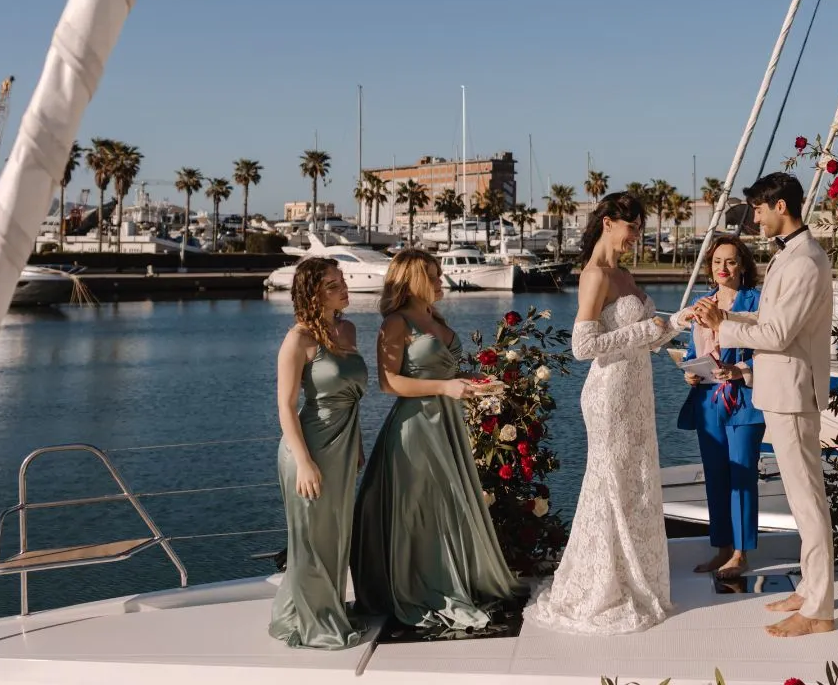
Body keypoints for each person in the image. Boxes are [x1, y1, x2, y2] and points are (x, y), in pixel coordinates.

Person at [523, 192, 680, 634]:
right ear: (609, 222)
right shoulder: (594, 276)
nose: (636, 237)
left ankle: (635, 576)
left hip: (638, 391)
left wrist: (678, 322)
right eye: (633, 228)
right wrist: (641, 330)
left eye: (640, 229)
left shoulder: (625, 275)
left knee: (637, 479)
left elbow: (650, 338)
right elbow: (582, 347)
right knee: (609, 480)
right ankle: (601, 583)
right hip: (609, 395)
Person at [691, 171, 835, 638]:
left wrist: (724, 326)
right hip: (780, 390)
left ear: (780, 206)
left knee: (809, 501)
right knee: (799, 497)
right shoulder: (788, 257)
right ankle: (810, 589)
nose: (753, 216)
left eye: (758, 208)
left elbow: (776, 334)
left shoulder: (803, 262)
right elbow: (769, 319)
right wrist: (726, 316)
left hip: (793, 392)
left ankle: (819, 609)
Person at [352, 249, 520, 632]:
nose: (441, 278)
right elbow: (388, 382)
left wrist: (473, 384)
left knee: (449, 504)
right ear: (413, 279)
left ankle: (453, 576)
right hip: (415, 428)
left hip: (446, 422)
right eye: (433, 274)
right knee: (419, 509)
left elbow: (447, 371)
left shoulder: (433, 316)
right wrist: (446, 386)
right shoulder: (395, 323)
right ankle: (419, 585)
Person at [269, 257, 369, 649]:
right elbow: (285, 407)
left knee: (335, 533)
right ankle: (315, 622)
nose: (343, 287)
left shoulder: (347, 328)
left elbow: (350, 397)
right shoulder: (298, 340)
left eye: (342, 280)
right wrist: (305, 463)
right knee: (310, 536)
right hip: (307, 448)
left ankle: (320, 607)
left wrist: (357, 444)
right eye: (332, 284)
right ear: (312, 293)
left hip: (343, 447)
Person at [676, 235, 765, 579]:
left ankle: (742, 554)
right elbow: (692, 352)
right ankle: (722, 549)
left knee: (743, 475)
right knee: (715, 477)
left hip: (745, 400)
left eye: (730, 261)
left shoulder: (758, 302)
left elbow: (771, 351)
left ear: (743, 264)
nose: (722, 268)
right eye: (716, 262)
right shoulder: (701, 304)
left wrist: (740, 372)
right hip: (708, 401)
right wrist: (690, 373)